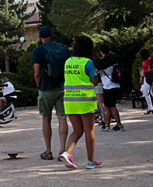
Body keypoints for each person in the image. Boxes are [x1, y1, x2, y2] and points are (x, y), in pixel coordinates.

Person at [58, 36, 101, 170]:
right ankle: (91, 161)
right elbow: (95, 82)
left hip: (70, 101)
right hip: (85, 101)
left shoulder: (68, 62)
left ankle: (67, 152)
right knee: (89, 130)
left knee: (77, 130)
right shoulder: (87, 62)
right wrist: (96, 74)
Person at [31, 26, 70, 161]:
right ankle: (63, 150)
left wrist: (39, 86)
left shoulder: (38, 51)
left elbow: (36, 73)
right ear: (52, 35)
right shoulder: (64, 48)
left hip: (46, 88)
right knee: (62, 118)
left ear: (40, 37)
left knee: (46, 118)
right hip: (63, 87)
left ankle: (48, 151)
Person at [96, 44, 125, 132]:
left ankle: (119, 125)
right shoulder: (114, 60)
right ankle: (107, 125)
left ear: (101, 51)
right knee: (108, 106)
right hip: (115, 84)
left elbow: (96, 71)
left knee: (111, 106)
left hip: (108, 86)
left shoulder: (103, 61)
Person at [139, 49, 153, 114]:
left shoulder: (149, 59)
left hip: (149, 77)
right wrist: (141, 77)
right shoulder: (144, 61)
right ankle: (150, 107)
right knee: (145, 92)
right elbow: (143, 69)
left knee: (152, 93)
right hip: (145, 77)